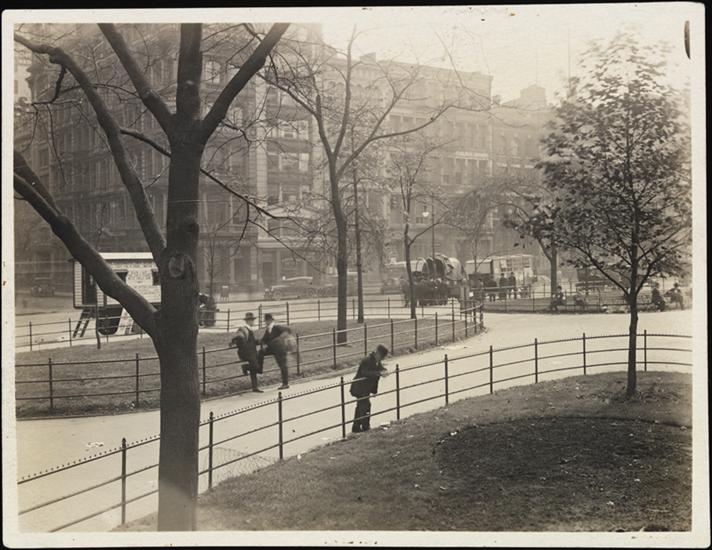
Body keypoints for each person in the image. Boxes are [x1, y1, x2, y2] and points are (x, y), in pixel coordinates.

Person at [350, 344, 389, 433]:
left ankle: (356, 427)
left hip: (365, 388)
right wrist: (378, 373)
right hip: (360, 388)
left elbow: (380, 368)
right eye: (381, 357)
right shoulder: (367, 360)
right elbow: (365, 372)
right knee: (365, 406)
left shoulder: (376, 361)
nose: (381, 359)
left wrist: (384, 370)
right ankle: (365, 427)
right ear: (378, 354)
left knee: (360, 407)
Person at [230, 312, 263, 392]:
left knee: (255, 369)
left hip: (252, 352)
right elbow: (239, 338)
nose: (253, 322)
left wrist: (259, 341)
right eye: (252, 320)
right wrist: (241, 345)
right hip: (246, 352)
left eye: (253, 320)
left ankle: (255, 387)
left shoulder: (250, 329)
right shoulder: (243, 329)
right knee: (255, 367)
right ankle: (245, 367)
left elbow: (251, 341)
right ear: (248, 321)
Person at [258, 313, 291, 389]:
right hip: (273, 349)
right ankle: (259, 369)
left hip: (280, 350)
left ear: (269, 320)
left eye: (266, 321)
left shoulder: (276, 327)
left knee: (283, 365)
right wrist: (260, 342)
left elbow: (288, 330)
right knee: (260, 352)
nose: (265, 322)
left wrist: (281, 339)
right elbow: (264, 339)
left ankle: (285, 384)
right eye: (265, 321)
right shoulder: (268, 329)